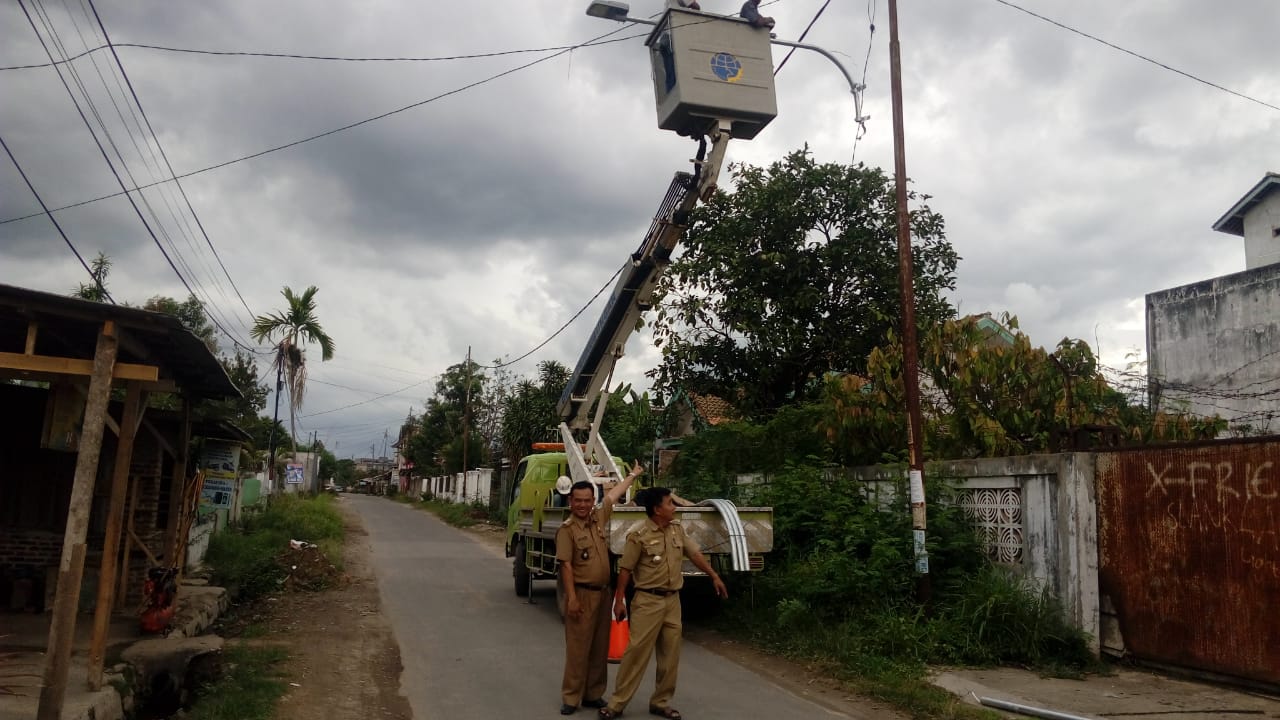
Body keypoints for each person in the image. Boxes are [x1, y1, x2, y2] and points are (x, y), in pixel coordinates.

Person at [598, 488, 728, 720]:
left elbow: (695, 554)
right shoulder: (638, 535)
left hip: (672, 601)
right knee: (636, 654)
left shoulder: (676, 529)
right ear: (657, 509)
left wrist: (714, 576)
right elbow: (625, 570)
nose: (674, 507)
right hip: (647, 601)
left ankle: (661, 702)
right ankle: (616, 704)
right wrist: (619, 601)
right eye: (670, 503)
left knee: (670, 655)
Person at [555, 463, 644, 715]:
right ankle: (571, 697)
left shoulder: (598, 518)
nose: (582, 505)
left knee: (599, 647)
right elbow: (567, 566)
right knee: (578, 648)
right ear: (570, 501)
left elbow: (614, 496)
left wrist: (632, 476)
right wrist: (571, 598)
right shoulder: (567, 530)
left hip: (603, 593)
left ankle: (594, 693)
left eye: (587, 500)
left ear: (593, 500)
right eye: (578, 501)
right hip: (581, 594)